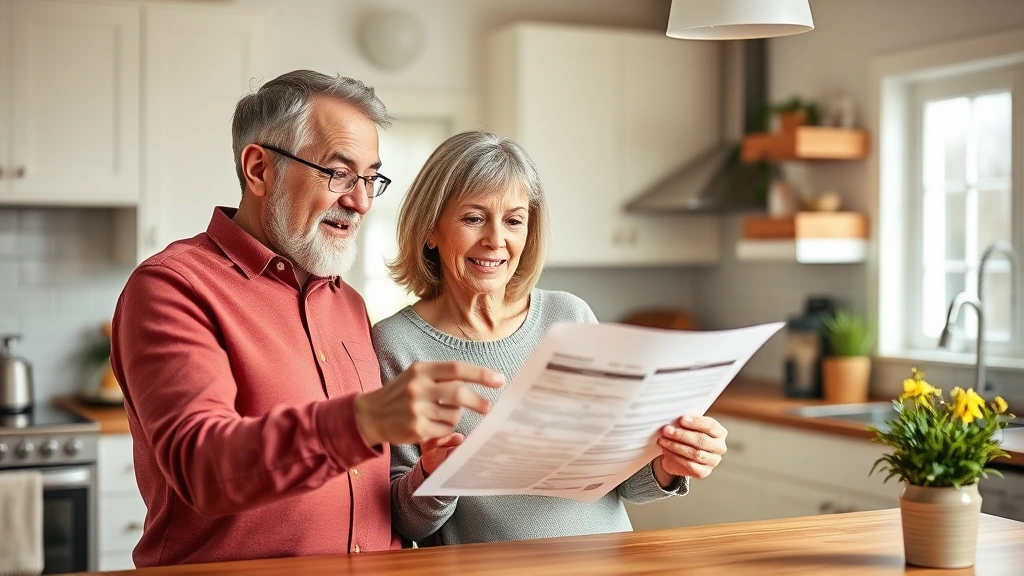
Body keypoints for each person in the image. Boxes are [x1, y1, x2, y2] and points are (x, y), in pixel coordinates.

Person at [109, 71, 504, 567]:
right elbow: (202, 467)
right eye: (338, 174)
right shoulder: (173, 288)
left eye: (370, 179)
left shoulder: (350, 304)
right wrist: (365, 419)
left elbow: (362, 493)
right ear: (258, 169)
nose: (360, 201)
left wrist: (430, 475)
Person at [372, 131, 729, 546]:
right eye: (473, 218)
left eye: (513, 220)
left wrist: (669, 463)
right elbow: (402, 521)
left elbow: (625, 483)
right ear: (430, 229)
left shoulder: (570, 317)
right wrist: (434, 475)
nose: (496, 239)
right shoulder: (396, 345)